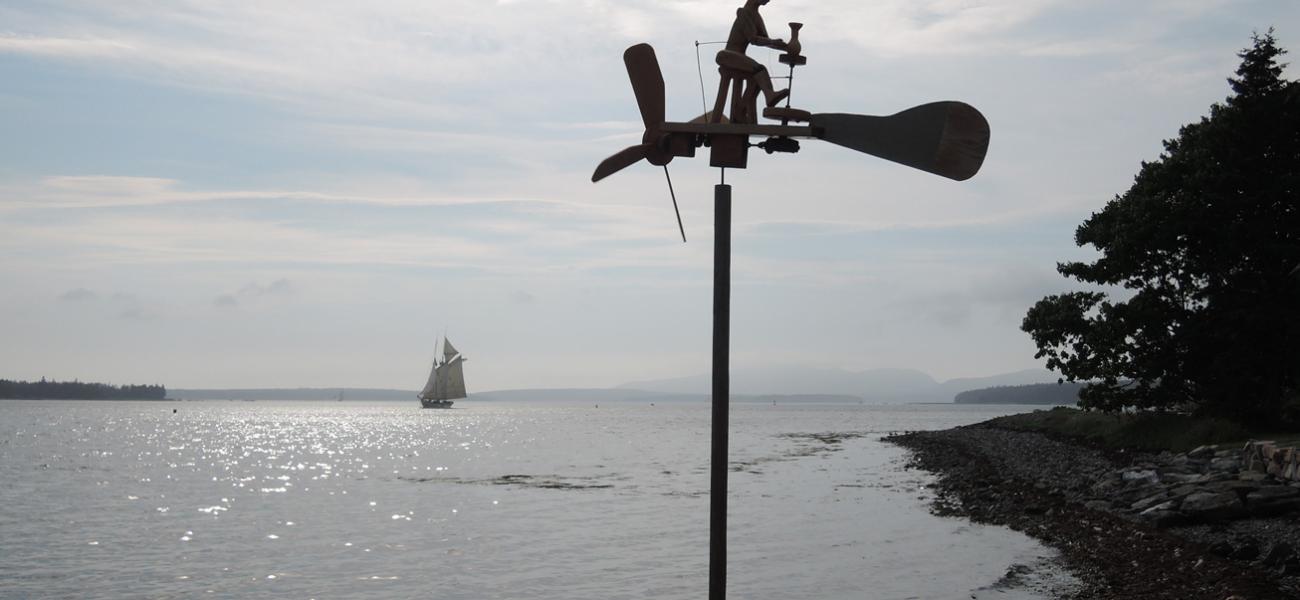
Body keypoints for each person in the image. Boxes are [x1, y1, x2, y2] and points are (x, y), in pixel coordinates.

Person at [715, 0, 790, 112]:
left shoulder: (757, 16)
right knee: (759, 69)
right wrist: (773, 42)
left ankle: (740, 110)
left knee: (758, 76)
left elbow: (765, 39)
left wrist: (786, 47)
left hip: (739, 57)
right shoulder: (743, 12)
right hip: (727, 56)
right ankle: (769, 95)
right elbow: (754, 39)